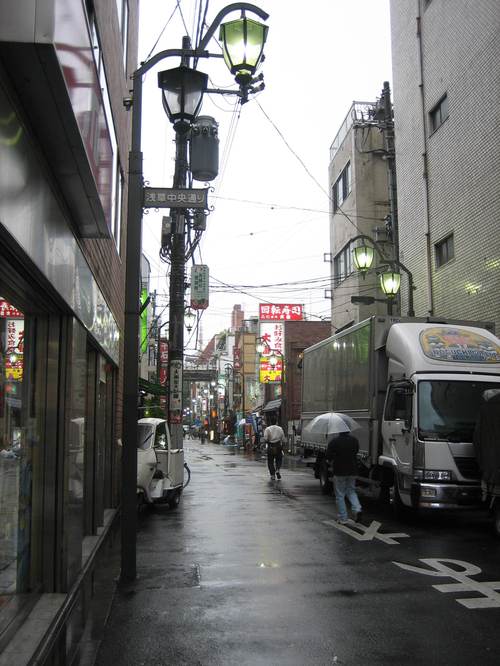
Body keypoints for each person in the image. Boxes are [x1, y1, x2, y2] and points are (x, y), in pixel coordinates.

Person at [326, 430, 362, 524]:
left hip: (339, 470)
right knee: (351, 491)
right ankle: (357, 509)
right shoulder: (354, 440)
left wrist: (331, 460)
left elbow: (328, 455)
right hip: (353, 469)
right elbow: (356, 451)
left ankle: (343, 518)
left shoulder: (334, 441)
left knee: (340, 494)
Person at [263, 414, 286, 480]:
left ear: (270, 422)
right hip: (278, 446)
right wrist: (283, 445)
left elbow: (265, 439)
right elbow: (283, 438)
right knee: (279, 459)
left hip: (270, 446)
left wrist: (266, 442)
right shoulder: (280, 428)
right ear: (276, 422)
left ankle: (272, 475)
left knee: (270, 461)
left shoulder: (267, 429)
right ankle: (277, 469)